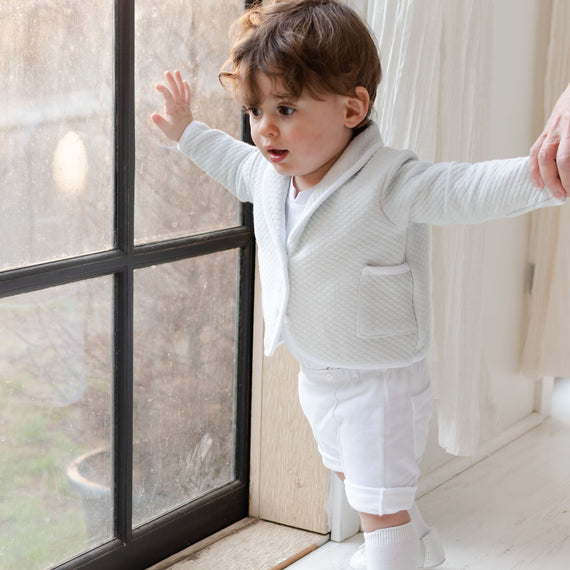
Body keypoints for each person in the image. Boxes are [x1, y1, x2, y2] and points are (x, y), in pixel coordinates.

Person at [151, 1, 568, 568]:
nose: (264, 127)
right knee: (356, 479)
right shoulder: (272, 175)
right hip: (316, 369)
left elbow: (467, 189)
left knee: (379, 506)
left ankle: (397, 550)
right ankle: (420, 547)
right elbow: (230, 159)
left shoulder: (390, 181)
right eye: (254, 111)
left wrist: (542, 177)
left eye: (286, 108)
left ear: (353, 108)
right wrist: (186, 131)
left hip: (381, 378)